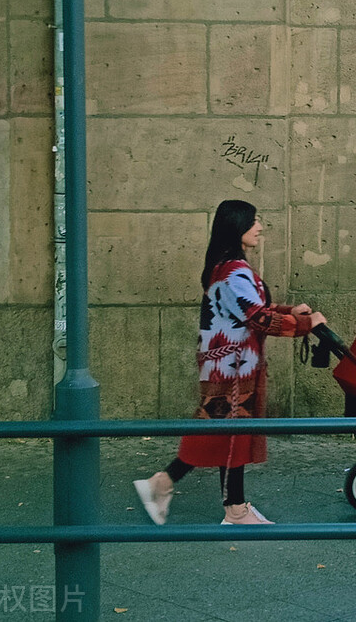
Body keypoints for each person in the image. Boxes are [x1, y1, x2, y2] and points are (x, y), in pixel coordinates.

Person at [133, 200, 325, 525]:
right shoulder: (233, 270)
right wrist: (307, 324)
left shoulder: (227, 266)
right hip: (233, 367)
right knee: (230, 431)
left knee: (221, 431)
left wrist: (289, 310)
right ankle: (233, 509)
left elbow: (251, 308)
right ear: (237, 226)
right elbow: (257, 318)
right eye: (254, 221)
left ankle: (167, 486)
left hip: (227, 364)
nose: (260, 227)